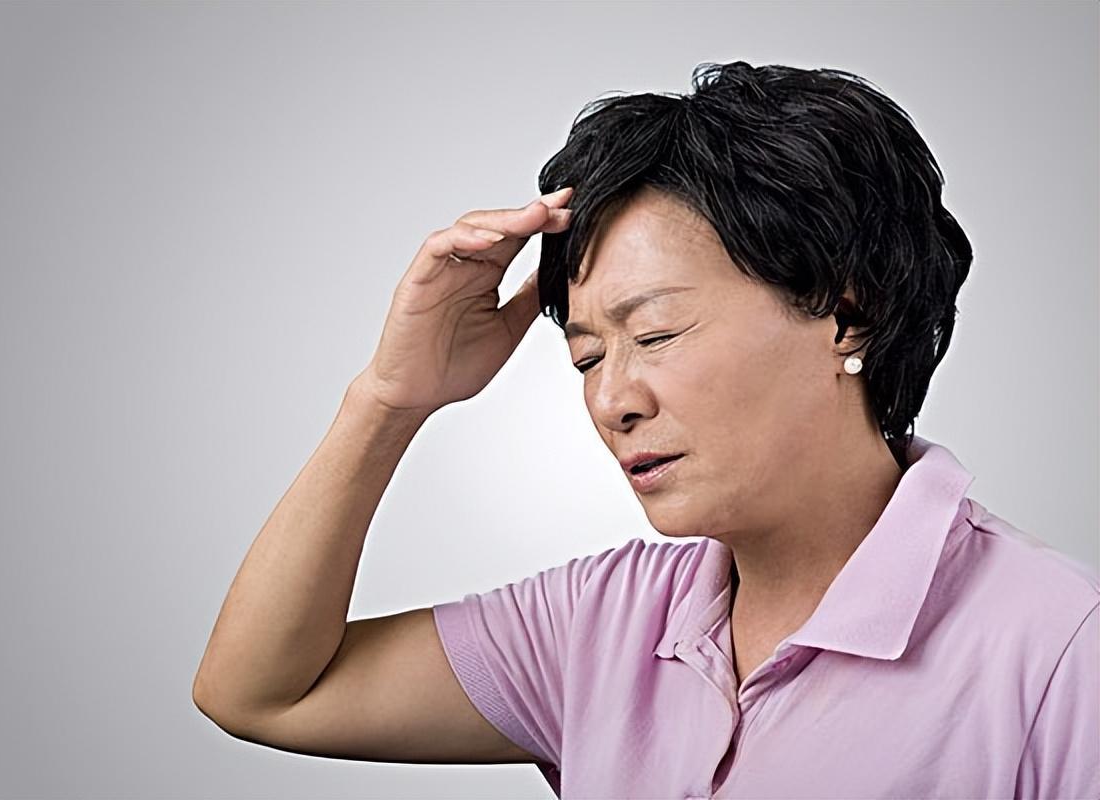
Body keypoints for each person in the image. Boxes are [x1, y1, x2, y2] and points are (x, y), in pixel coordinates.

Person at [192, 61, 1099, 799]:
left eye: (656, 334)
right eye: (586, 357)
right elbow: (261, 694)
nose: (610, 401)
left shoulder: (1061, 649)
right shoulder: (603, 623)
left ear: (845, 315)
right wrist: (389, 400)